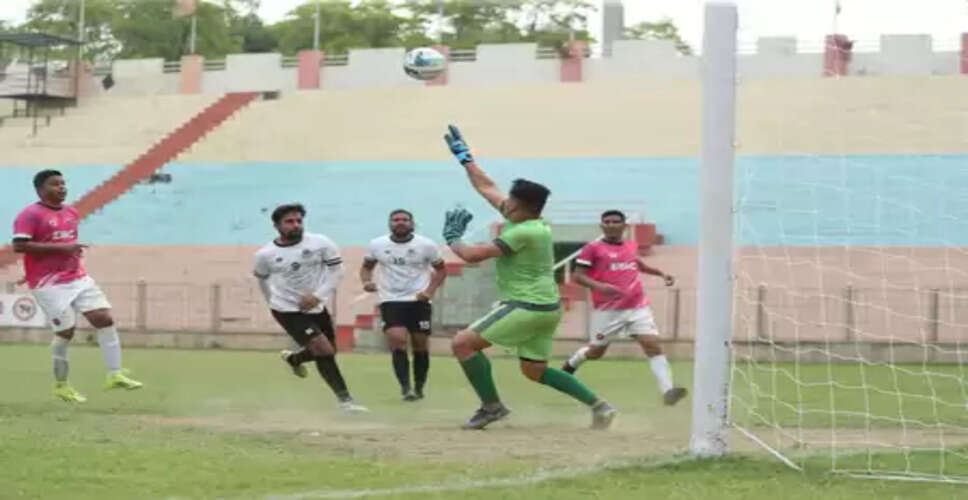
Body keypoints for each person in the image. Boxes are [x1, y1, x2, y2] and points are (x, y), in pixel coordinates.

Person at [441, 125, 617, 430]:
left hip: (526, 305)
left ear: (524, 208)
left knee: (462, 344)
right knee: (534, 370)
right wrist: (464, 157)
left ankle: (491, 407)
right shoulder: (527, 219)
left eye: (510, 202)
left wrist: (453, 238)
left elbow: (472, 256)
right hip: (546, 307)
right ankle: (601, 407)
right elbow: (486, 186)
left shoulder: (524, 232)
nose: (504, 204)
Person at [12, 169, 143, 403]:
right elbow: (20, 246)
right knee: (66, 332)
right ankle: (61, 385)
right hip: (48, 284)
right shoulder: (30, 214)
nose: (62, 187)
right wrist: (59, 252)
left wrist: (69, 252)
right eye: (55, 184)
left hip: (77, 277)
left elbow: (62, 244)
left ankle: (115, 374)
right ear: (40, 189)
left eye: (63, 183)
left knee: (104, 318)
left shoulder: (71, 212)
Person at [561, 210, 687, 406]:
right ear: (601, 226)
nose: (611, 225)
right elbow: (578, 276)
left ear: (624, 226)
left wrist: (661, 273)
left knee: (652, 345)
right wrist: (600, 287)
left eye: (615, 222)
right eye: (607, 222)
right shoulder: (592, 249)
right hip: (608, 310)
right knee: (596, 352)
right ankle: (571, 364)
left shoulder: (630, 246)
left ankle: (668, 391)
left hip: (637, 307)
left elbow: (638, 265)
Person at [253, 203, 367, 413]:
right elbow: (262, 280)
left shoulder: (320, 243)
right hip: (287, 310)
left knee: (328, 351)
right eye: (289, 221)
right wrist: (272, 302)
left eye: (299, 220)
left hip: (316, 305)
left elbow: (337, 271)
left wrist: (318, 296)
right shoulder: (265, 254)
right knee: (323, 349)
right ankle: (346, 402)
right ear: (277, 226)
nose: (296, 225)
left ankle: (294, 358)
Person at [360, 209, 446, 401]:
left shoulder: (426, 245)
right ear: (390, 223)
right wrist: (366, 282)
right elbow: (366, 267)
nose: (400, 222)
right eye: (396, 219)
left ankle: (419, 386)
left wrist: (429, 292)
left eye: (405, 220)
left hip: (418, 301)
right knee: (398, 340)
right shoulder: (377, 244)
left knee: (420, 345)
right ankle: (406, 388)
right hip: (390, 300)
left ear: (412, 224)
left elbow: (441, 270)